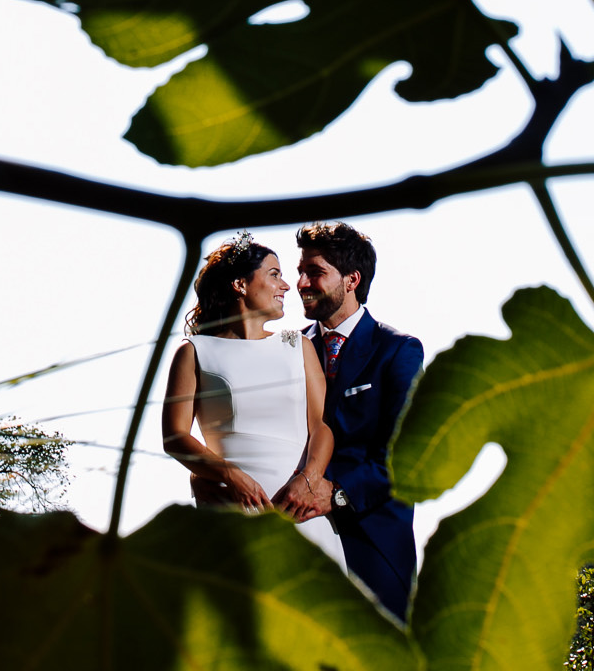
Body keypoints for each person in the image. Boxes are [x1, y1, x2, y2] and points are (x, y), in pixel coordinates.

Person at [161, 234, 343, 558]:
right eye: (274, 274)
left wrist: (309, 479)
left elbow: (321, 426)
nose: (287, 286)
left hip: (302, 512)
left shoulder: (297, 346)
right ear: (240, 285)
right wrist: (230, 476)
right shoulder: (194, 351)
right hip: (230, 512)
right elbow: (174, 436)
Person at [288, 221, 423, 619]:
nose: (300, 283)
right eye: (299, 271)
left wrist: (336, 493)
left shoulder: (397, 351)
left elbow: (403, 454)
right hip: (298, 535)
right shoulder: (287, 350)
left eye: (314, 271)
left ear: (352, 280)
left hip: (373, 541)